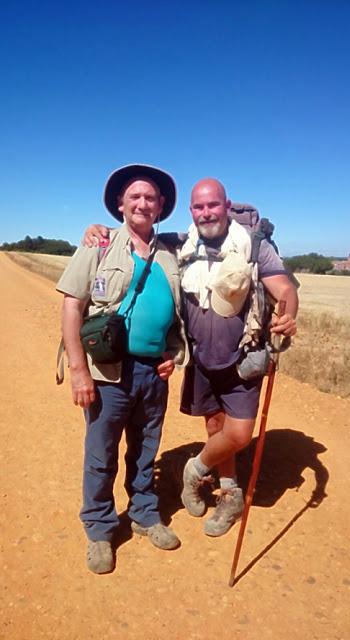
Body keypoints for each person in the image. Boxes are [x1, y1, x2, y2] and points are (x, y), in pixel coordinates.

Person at [83, 177, 298, 539]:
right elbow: (138, 235)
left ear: (227, 206)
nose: (206, 212)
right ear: (190, 212)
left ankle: (194, 470)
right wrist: (99, 229)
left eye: (213, 205)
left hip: (243, 359)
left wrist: (288, 314)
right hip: (201, 359)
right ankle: (229, 494)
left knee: (239, 433)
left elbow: (285, 288)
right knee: (215, 427)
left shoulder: (253, 245)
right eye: (198, 207)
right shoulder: (181, 244)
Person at [57, 164, 189, 574]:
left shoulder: (172, 252)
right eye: (134, 196)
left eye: (150, 197)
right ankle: (99, 527)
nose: (142, 203)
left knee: (146, 450)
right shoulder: (98, 245)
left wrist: (173, 351)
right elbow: (72, 305)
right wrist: (78, 371)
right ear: (120, 203)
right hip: (107, 372)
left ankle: (145, 513)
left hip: (154, 372)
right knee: (101, 454)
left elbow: (180, 312)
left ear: (162, 205)